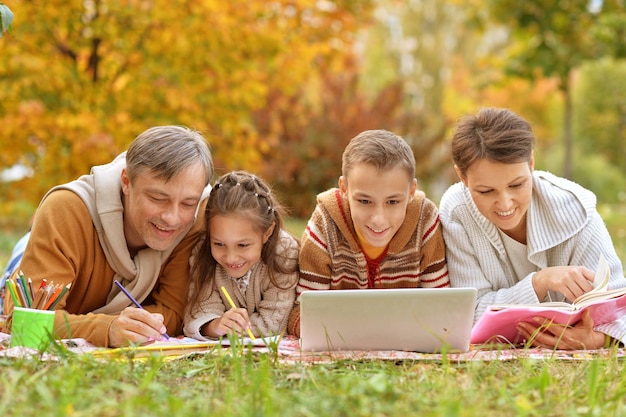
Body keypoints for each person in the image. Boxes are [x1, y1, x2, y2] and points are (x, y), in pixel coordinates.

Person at [3, 125, 213, 347]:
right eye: (157, 198)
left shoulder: (199, 217)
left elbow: (175, 313)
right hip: (37, 248)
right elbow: (26, 321)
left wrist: (128, 327)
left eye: (188, 203)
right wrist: (107, 329)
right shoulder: (65, 209)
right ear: (126, 182)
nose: (172, 218)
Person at [439, 107, 626, 349]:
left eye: (517, 185)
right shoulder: (457, 212)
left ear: (531, 163)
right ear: (462, 178)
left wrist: (599, 339)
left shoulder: (576, 209)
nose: (505, 204)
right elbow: (467, 314)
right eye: (486, 191)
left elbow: (618, 304)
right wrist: (539, 282)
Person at [287, 129, 450, 337]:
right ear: (344, 189)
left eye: (393, 202)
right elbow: (302, 313)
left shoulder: (424, 221)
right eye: (364, 201)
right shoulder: (325, 225)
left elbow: (443, 307)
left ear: (411, 192)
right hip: (342, 342)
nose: (378, 219)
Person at [184, 171, 299, 340]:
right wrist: (216, 325)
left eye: (243, 245)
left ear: (267, 233)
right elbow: (198, 314)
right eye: (219, 244)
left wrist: (236, 329)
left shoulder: (284, 252)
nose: (231, 258)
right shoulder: (203, 251)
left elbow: (274, 323)